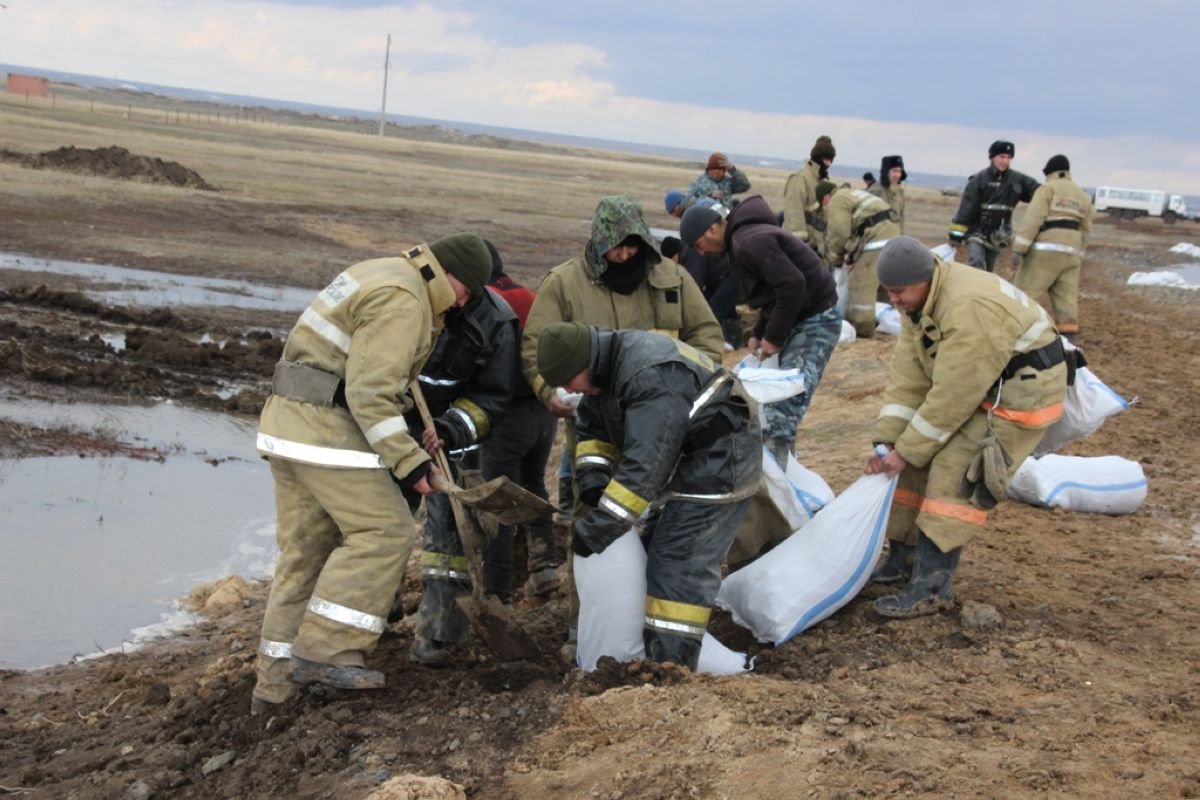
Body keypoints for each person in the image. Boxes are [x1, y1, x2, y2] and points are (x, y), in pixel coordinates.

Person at [251, 233, 492, 712]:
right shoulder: (406, 301)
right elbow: (368, 394)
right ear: (455, 279)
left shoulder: (378, 271)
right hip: (325, 433)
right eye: (468, 293)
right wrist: (408, 461)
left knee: (304, 556)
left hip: (287, 426)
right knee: (384, 530)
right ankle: (328, 651)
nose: (463, 304)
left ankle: (274, 689)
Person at [521, 195, 724, 659]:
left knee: (662, 528)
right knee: (591, 522)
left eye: (634, 248)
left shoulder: (672, 280)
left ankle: (655, 629)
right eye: (618, 249)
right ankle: (586, 627)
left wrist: (684, 386)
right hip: (594, 433)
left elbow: (708, 340)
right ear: (600, 244)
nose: (626, 257)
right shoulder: (565, 284)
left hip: (664, 435)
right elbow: (535, 349)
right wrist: (548, 391)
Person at [536, 322, 760, 669]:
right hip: (688, 462)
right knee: (657, 550)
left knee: (677, 564)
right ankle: (662, 654)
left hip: (721, 463)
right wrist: (593, 478)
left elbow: (646, 468)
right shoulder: (605, 371)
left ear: (585, 363)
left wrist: (600, 529)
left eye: (569, 380)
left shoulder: (651, 376)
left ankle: (671, 668)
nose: (567, 389)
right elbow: (594, 426)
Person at [865, 237, 1068, 618]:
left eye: (899, 291)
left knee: (954, 472)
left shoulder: (968, 307)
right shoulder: (919, 304)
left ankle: (932, 587)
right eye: (888, 292)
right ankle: (903, 562)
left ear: (925, 279)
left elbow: (954, 395)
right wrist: (888, 439)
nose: (893, 300)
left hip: (1021, 395)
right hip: (981, 384)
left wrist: (907, 451)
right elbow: (910, 377)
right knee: (910, 469)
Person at [406, 255, 557, 667]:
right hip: (528, 417)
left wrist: (450, 428)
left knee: (453, 535)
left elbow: (492, 391)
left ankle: (442, 630)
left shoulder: (494, 316)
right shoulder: (421, 308)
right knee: (500, 507)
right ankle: (483, 605)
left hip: (473, 432)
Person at [680, 195, 840, 464]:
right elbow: (774, 292)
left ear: (712, 228)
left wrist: (773, 339)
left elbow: (792, 285)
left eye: (699, 244)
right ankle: (781, 474)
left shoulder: (749, 242)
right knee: (776, 410)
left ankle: (777, 488)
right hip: (803, 317)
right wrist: (759, 333)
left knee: (783, 407)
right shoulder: (743, 240)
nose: (701, 253)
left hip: (816, 320)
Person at [1011, 155, 1094, 341]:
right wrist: (1078, 254)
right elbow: (1087, 229)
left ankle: (1013, 332)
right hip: (1071, 254)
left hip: (1044, 252)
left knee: (1024, 294)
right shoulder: (1083, 196)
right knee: (1066, 301)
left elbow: (1033, 219)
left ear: (1050, 172)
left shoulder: (1047, 189)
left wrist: (1019, 249)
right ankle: (1069, 340)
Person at [819, 181, 902, 339]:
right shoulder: (853, 195)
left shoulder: (837, 199)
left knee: (862, 282)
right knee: (884, 283)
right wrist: (852, 255)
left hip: (877, 239)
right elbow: (857, 231)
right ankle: (884, 320)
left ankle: (862, 328)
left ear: (825, 197)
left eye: (822, 203)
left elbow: (839, 234)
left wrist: (836, 259)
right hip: (892, 235)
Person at [949, 141, 1039, 272]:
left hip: (999, 236)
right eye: (1002, 157)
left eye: (1008, 158)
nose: (1005, 161)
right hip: (976, 233)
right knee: (977, 262)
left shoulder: (1018, 179)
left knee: (989, 270)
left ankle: (985, 291)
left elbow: (1041, 193)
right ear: (992, 157)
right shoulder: (978, 180)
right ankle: (974, 291)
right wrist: (955, 237)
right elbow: (965, 210)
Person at [662, 234, 743, 351]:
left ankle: (714, 344)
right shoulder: (687, 251)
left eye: (671, 261)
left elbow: (694, 287)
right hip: (724, 278)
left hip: (731, 278)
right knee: (726, 310)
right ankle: (735, 343)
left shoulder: (690, 254)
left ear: (674, 255)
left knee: (711, 312)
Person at [782, 135, 836, 255]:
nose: (829, 164)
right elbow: (794, 212)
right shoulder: (800, 179)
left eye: (831, 160)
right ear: (818, 158)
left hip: (817, 248)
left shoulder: (822, 181)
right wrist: (800, 244)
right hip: (799, 248)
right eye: (826, 159)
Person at [686, 152, 751, 210]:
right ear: (710, 169)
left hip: (726, 218)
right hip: (707, 219)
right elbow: (688, 201)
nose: (721, 173)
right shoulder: (698, 182)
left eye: (723, 170)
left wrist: (733, 170)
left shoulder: (727, 181)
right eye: (718, 170)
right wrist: (709, 195)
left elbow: (745, 186)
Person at [869, 155, 907, 233]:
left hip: (895, 238)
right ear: (886, 172)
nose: (897, 175)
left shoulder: (899, 192)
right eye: (894, 171)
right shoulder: (876, 191)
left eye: (899, 171)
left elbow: (901, 218)